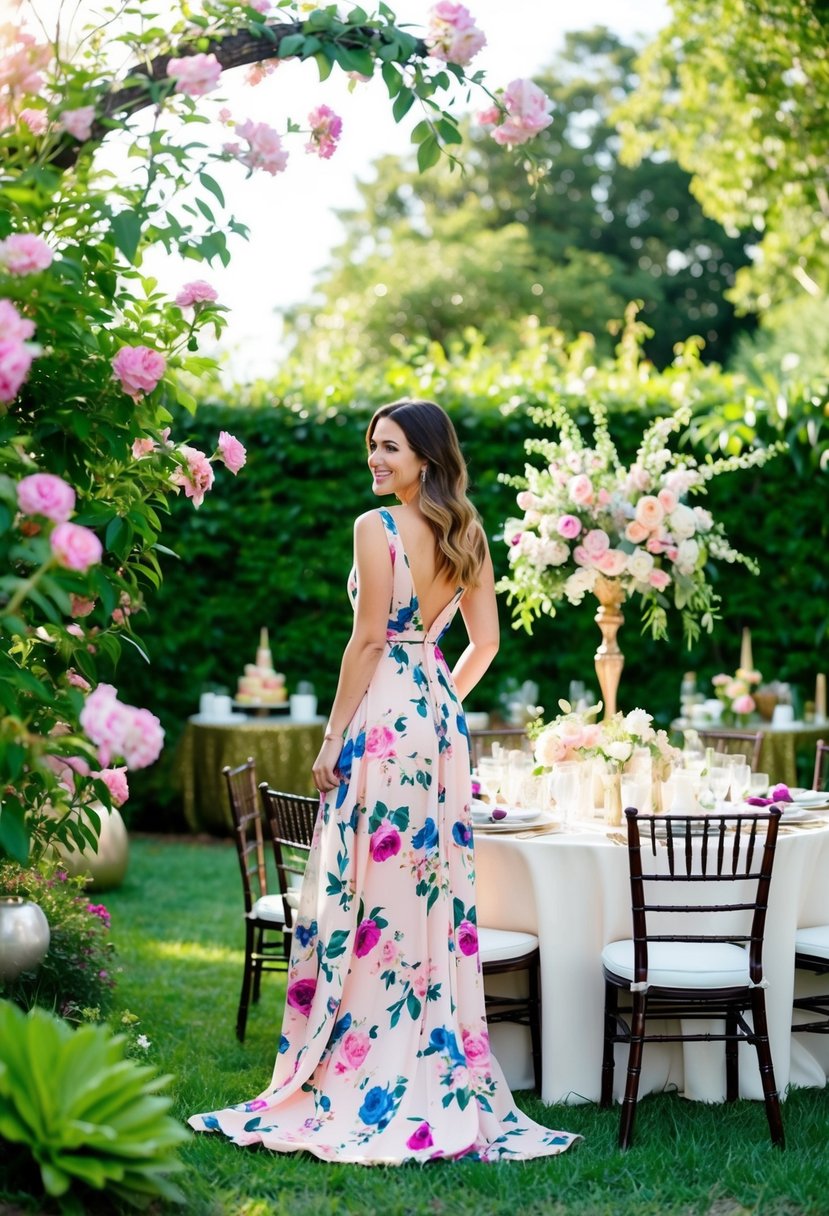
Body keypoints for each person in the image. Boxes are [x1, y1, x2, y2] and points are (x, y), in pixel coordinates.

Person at [189, 399, 578, 1163]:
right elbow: (485, 644)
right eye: (372, 446)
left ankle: (361, 1056)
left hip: (383, 722)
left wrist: (335, 735)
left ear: (425, 457)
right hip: (436, 724)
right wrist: (435, 706)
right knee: (426, 892)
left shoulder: (377, 527)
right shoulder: (466, 532)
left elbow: (367, 639)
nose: (374, 460)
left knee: (367, 888)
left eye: (389, 448)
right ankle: (420, 1051)